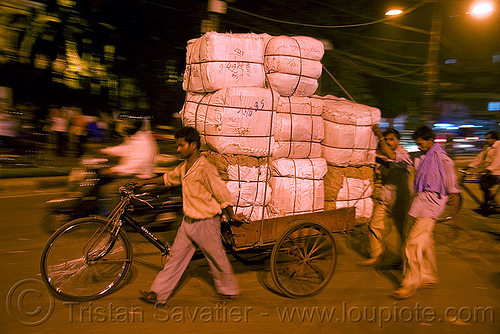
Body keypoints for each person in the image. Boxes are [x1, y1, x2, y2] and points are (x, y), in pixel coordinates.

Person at [138, 126, 245, 305]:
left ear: (193, 145)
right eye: (177, 145)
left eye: (181, 145)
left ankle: (229, 290)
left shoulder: (205, 168)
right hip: (188, 223)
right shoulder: (184, 167)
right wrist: (144, 183)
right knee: (174, 259)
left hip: (206, 223)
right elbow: (168, 178)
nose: (178, 149)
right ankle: (158, 294)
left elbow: (222, 194)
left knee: (216, 258)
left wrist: (232, 216)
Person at [392, 125, 461, 299]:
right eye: (417, 144)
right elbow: (395, 156)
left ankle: (410, 283)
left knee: (412, 244)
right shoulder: (419, 157)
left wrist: (455, 216)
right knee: (426, 240)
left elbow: (453, 190)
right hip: (419, 202)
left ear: (431, 141)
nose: (419, 147)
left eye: (421, 144)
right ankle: (428, 275)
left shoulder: (444, 161)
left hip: (432, 205)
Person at [358, 125, 411, 266]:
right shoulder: (381, 154)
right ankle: (377, 255)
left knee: (402, 232)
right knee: (375, 225)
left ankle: (405, 258)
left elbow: (390, 158)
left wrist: (379, 136)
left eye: (391, 140)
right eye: (386, 139)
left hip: (399, 199)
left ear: (398, 141)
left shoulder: (403, 155)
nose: (388, 142)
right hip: (385, 198)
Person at [99, 117, 158, 216]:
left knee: (109, 189)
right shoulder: (135, 137)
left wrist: (113, 170)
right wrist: (104, 150)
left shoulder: (145, 141)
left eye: (128, 124)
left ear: (135, 125)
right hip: (130, 175)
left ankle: (116, 218)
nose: (125, 126)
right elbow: (125, 149)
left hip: (139, 178)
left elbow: (137, 164)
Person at [466, 130, 500, 215]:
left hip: (498, 173)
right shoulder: (487, 147)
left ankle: (487, 206)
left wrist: (485, 171)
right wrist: (469, 166)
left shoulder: (499, 147)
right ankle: (488, 203)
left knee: (485, 184)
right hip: (492, 172)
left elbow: (497, 162)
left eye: (488, 138)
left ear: (494, 139)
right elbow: (480, 157)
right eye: (486, 138)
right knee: (482, 183)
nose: (486, 140)